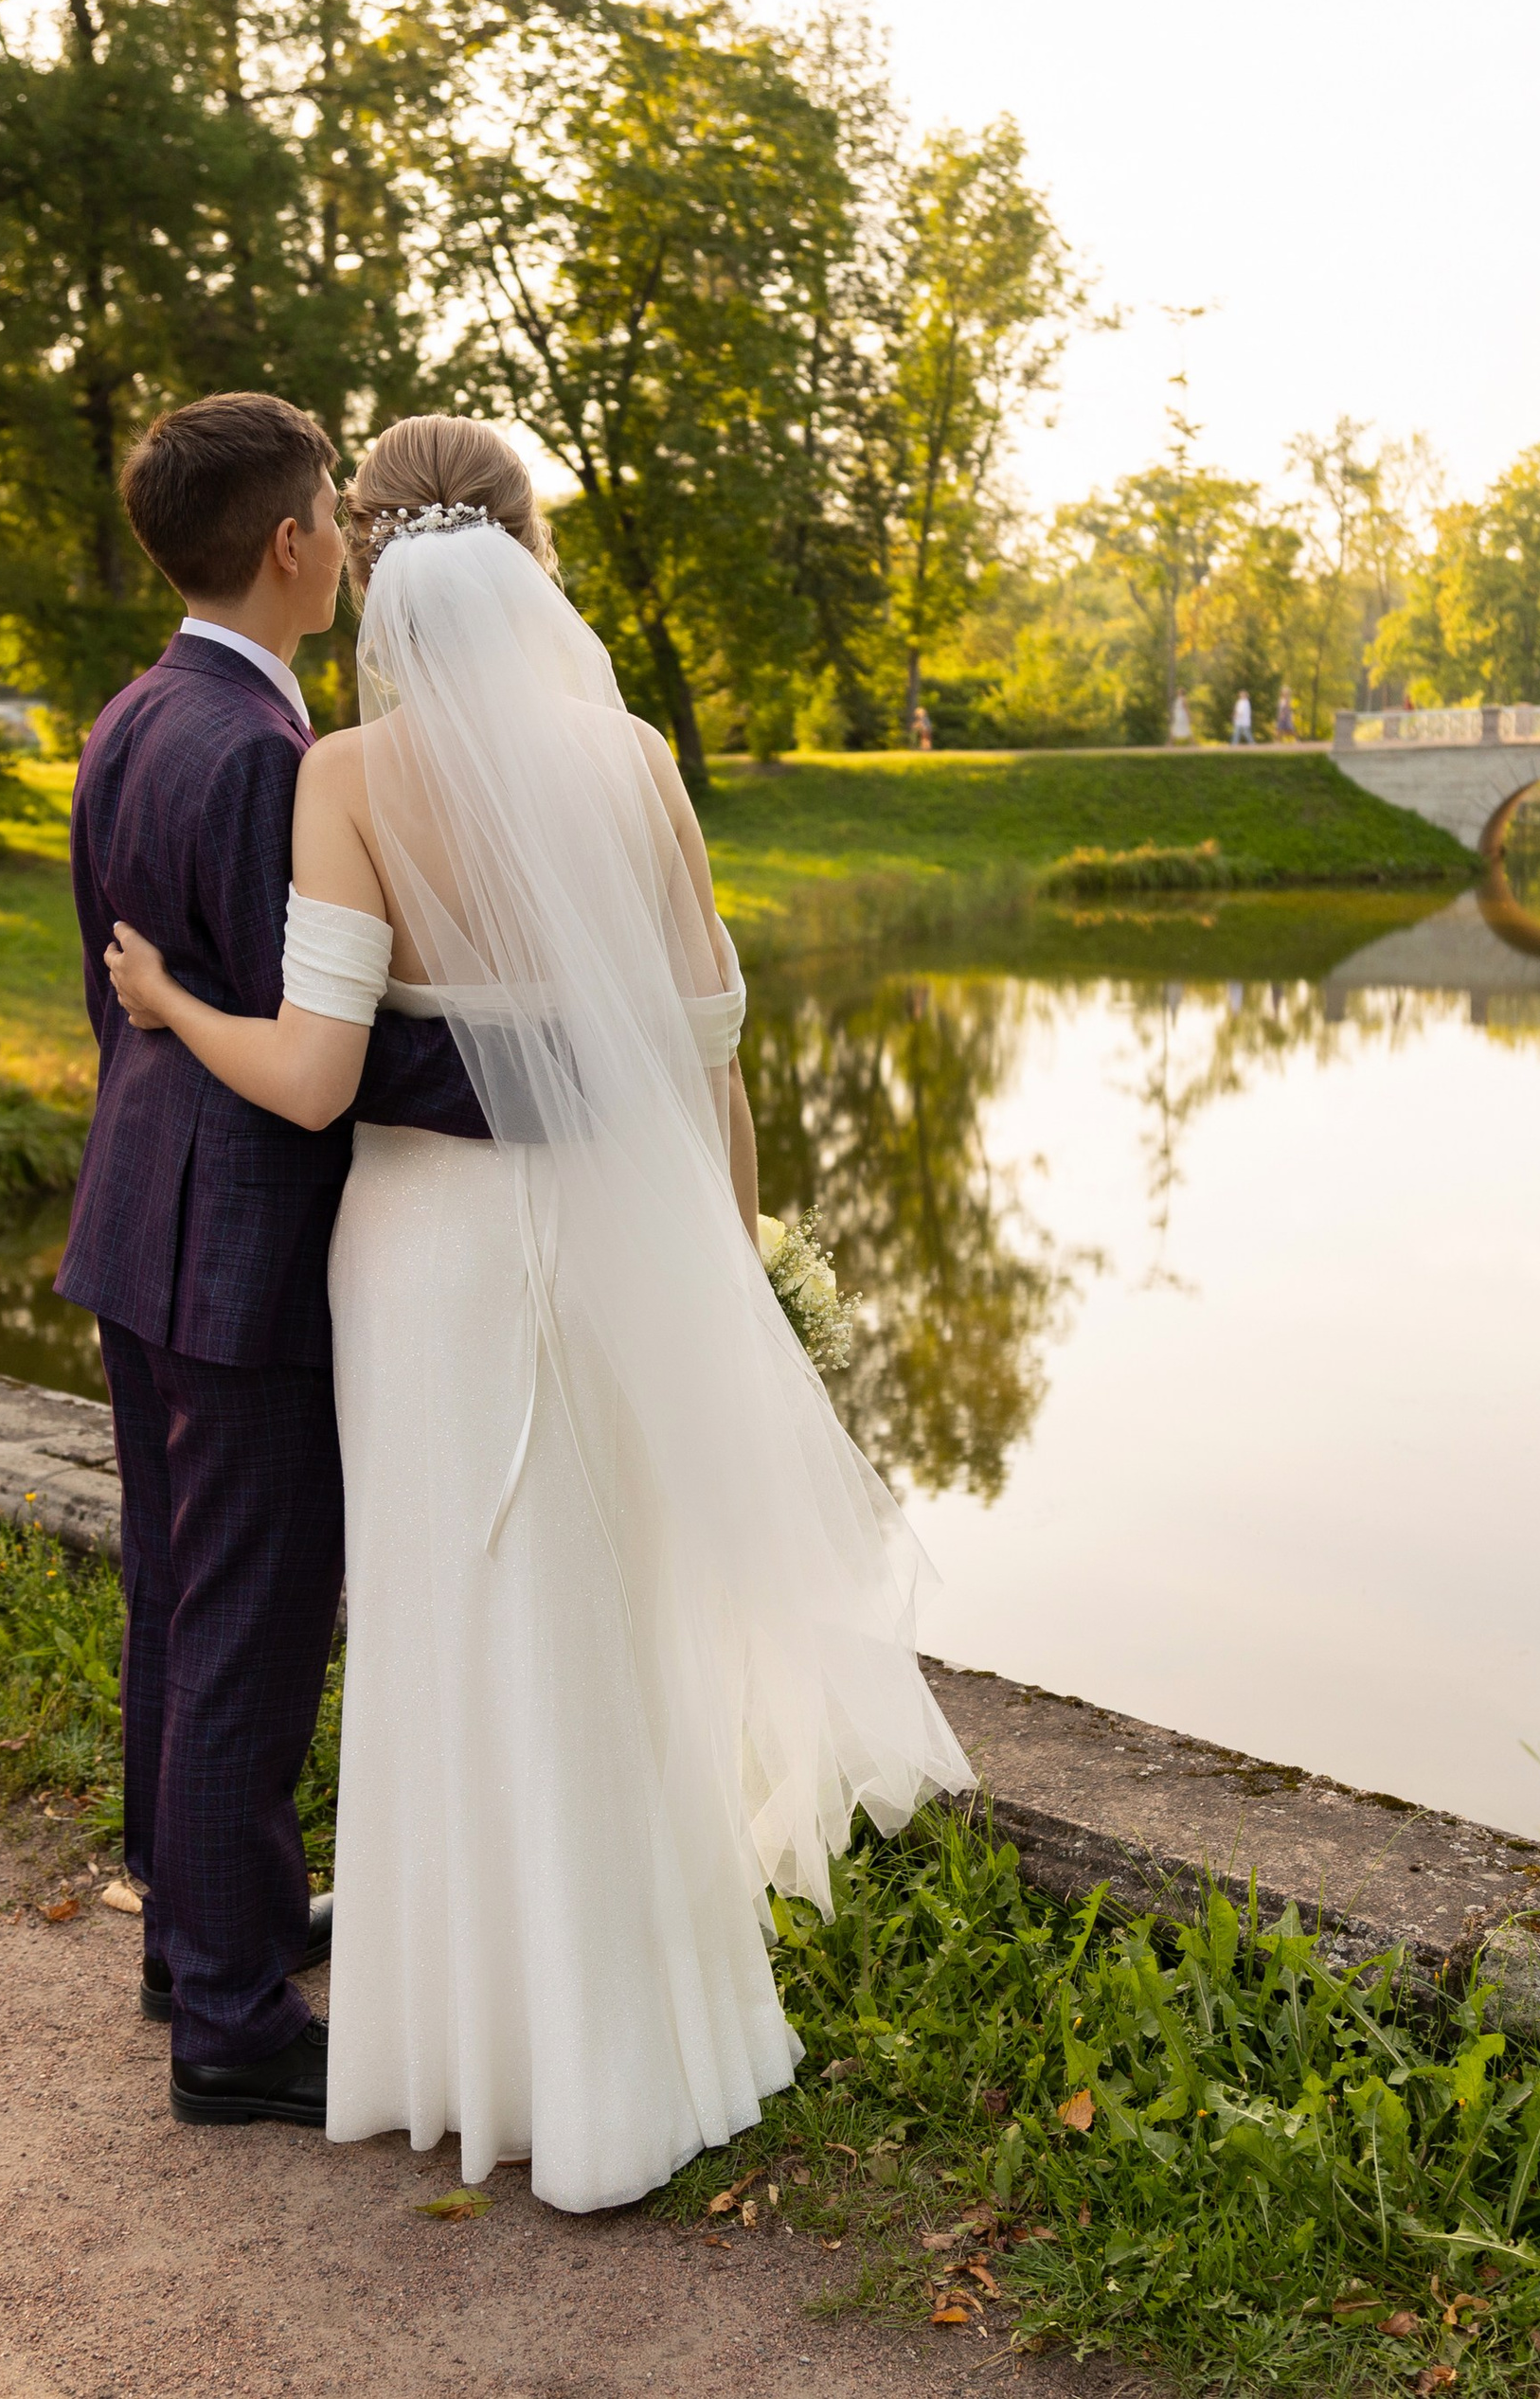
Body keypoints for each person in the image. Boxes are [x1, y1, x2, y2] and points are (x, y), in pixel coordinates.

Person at [105, 414, 972, 2211]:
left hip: (422, 1269)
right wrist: (728, 1282)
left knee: (446, 1632)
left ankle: (455, 2042)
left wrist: (176, 1011)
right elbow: (712, 1061)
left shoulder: (345, 774)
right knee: (610, 1616)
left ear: (389, 561)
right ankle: (634, 2037)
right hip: (604, 1242)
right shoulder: (641, 760)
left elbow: (320, 1079)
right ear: (532, 561)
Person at [58, 396, 495, 2132]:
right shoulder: (261, 754)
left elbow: (145, 994)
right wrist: (550, 1067)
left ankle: (196, 1930)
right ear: (297, 545)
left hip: (140, 1219)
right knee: (249, 1621)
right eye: (327, 508)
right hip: (240, 1249)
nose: (339, 534)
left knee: (178, 1594)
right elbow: (322, 1040)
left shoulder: (133, 714)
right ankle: (234, 2022)